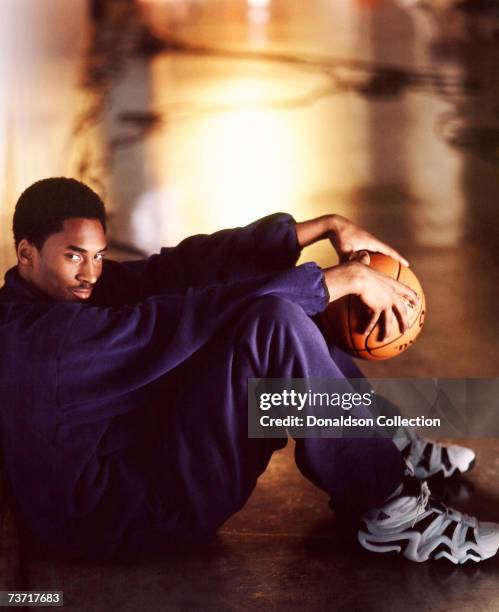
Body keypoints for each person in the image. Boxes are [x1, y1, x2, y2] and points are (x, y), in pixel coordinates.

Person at [0, 177, 496, 565]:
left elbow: (176, 271)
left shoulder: (49, 296)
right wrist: (332, 281)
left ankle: (374, 438)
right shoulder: (47, 342)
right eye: (73, 256)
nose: (90, 272)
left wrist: (322, 226)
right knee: (275, 317)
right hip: (130, 516)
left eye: (99, 256)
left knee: (282, 298)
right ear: (26, 253)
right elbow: (176, 318)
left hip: (136, 460)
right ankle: (393, 508)